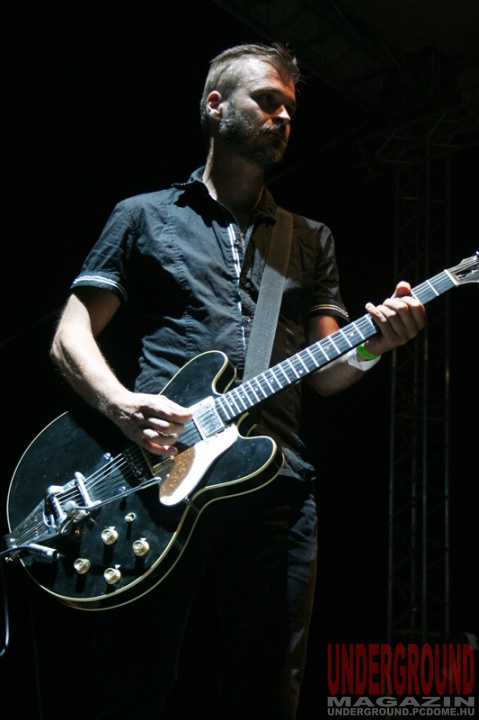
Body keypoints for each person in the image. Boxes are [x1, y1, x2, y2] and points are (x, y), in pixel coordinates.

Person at [50, 43, 425, 720]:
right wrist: (121, 405)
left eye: (291, 107)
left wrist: (377, 345)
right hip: (162, 476)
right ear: (215, 105)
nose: (284, 117)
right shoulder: (143, 216)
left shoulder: (308, 239)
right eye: (267, 100)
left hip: (275, 483)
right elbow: (70, 334)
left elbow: (328, 374)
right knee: (132, 682)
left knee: (268, 691)